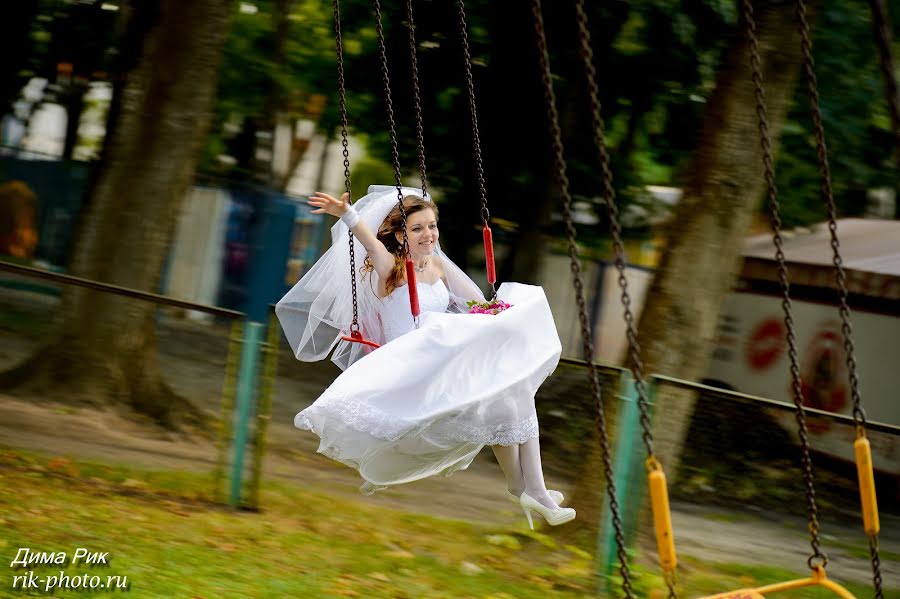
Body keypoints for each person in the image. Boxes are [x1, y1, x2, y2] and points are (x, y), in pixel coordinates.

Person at [276, 185, 575, 529]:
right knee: (510, 397)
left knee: (514, 396)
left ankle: (526, 488)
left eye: (432, 226)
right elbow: (368, 240)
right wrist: (347, 214)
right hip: (414, 373)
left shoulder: (438, 268)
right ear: (401, 235)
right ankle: (530, 489)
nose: (428, 234)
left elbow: (478, 303)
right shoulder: (390, 268)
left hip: (440, 367)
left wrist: (498, 312)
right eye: (417, 228)